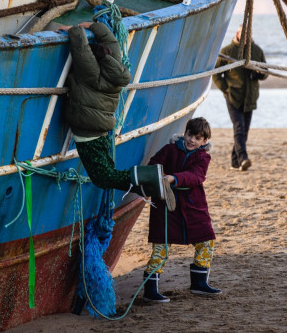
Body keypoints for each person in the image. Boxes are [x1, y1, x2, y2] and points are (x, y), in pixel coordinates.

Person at [62, 21, 175, 211]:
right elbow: (111, 41)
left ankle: (151, 177)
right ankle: (148, 186)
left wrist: (74, 28)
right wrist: (95, 26)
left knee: (102, 177)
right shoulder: (115, 64)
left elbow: (81, 50)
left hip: (88, 130)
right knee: (107, 174)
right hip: (101, 128)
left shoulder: (90, 73)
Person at [142, 117, 220, 302]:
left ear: (204, 141)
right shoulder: (169, 149)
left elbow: (196, 176)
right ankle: (150, 289)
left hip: (193, 207)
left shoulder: (203, 157)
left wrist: (173, 178)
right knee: (161, 246)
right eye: (190, 134)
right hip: (166, 206)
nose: (192, 140)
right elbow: (153, 165)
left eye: (198, 138)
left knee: (206, 241)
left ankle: (199, 283)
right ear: (184, 133)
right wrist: (159, 177)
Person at [212, 24, 267, 171]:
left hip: (250, 97)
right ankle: (243, 158)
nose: (245, 37)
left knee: (244, 131)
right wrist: (226, 89)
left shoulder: (256, 51)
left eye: (247, 35)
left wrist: (258, 74)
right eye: (242, 34)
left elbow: (265, 72)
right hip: (233, 96)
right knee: (239, 129)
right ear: (237, 33)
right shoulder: (227, 51)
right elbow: (216, 73)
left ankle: (235, 162)